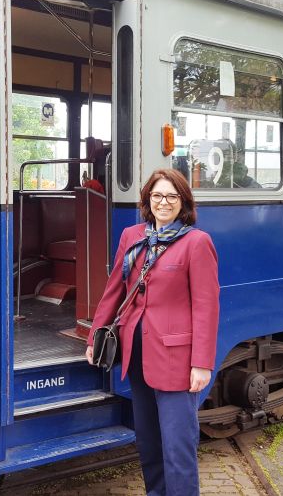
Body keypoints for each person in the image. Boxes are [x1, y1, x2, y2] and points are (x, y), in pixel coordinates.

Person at [86, 168, 220, 496]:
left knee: (178, 444)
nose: (163, 202)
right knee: (148, 440)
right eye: (157, 195)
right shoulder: (132, 236)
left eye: (172, 196)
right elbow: (114, 290)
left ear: (183, 202)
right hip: (136, 354)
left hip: (176, 357)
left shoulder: (196, 242)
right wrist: (95, 336)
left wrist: (201, 363)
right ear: (147, 199)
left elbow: (206, 307)